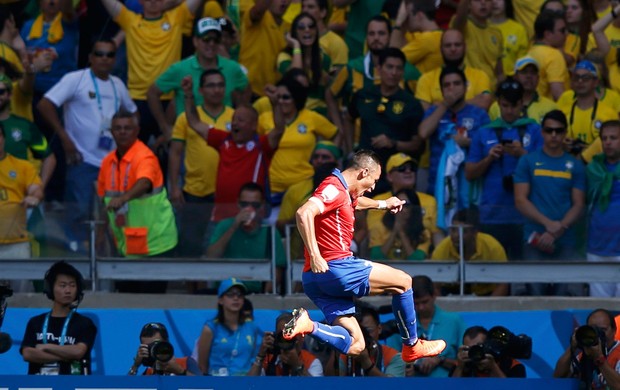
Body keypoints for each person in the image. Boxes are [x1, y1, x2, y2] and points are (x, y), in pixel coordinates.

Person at [282, 150, 447, 365]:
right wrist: (315, 254)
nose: (373, 188)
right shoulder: (333, 186)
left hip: (314, 280)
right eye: (374, 181)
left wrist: (383, 204)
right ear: (364, 172)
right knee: (404, 282)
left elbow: (352, 202)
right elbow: (303, 213)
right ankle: (412, 345)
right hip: (336, 268)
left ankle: (309, 325)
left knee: (356, 346)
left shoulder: (342, 191)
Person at [38, 39, 136, 253]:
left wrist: (129, 144)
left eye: (109, 54)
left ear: (115, 59)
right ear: (90, 57)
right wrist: (65, 139)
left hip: (113, 163)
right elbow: (45, 104)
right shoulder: (75, 79)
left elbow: (133, 112)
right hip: (82, 159)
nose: (104, 58)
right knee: (79, 213)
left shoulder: (117, 84)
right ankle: (78, 262)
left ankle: (111, 266)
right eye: (99, 53)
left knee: (116, 217)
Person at [182, 76, 285, 224]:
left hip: (250, 218)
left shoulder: (261, 145)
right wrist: (188, 94)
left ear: (253, 126)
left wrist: (275, 104)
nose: (235, 123)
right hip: (220, 217)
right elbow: (194, 122)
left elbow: (279, 129)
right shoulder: (223, 140)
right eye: (234, 119)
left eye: (241, 120)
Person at [97, 110, 178, 293]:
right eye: (118, 128)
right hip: (127, 245)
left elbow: (144, 182)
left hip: (155, 243)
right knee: (127, 299)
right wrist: (100, 234)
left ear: (137, 131)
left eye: (128, 128)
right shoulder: (107, 162)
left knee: (151, 301)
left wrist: (123, 198)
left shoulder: (145, 156)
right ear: (111, 131)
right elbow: (103, 200)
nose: (123, 132)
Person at [100, 0, 201, 145]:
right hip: (137, 100)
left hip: (169, 98)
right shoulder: (129, 20)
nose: (153, 1)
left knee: (170, 153)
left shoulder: (177, 17)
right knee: (134, 153)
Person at [466, 79, 543, 260]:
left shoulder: (535, 130)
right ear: (498, 103)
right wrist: (489, 158)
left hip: (527, 217)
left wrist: (522, 154)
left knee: (523, 274)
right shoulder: (484, 132)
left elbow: (544, 171)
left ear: (522, 102)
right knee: (493, 271)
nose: (509, 110)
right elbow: (469, 173)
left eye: (514, 105)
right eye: (505, 105)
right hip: (492, 214)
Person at [514, 109, 586, 296]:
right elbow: (520, 200)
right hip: (534, 238)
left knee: (564, 299)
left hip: (565, 240)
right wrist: (549, 225)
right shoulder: (527, 161)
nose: (554, 135)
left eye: (559, 131)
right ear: (542, 132)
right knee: (535, 298)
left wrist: (559, 228)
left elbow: (578, 204)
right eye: (549, 130)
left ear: (565, 133)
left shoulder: (575, 165)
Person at [147, 17, 249, 141]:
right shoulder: (180, 69)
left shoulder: (232, 68)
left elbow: (246, 88)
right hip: (188, 139)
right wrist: (165, 127)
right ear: (195, 41)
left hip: (223, 139)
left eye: (215, 40)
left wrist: (240, 110)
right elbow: (152, 93)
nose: (211, 44)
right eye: (206, 39)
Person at [169, 69, 234, 257]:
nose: (217, 90)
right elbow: (175, 152)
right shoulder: (185, 117)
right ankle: (193, 287)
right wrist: (174, 187)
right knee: (191, 245)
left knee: (222, 244)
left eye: (220, 85)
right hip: (194, 192)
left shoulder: (235, 117)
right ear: (201, 90)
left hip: (225, 194)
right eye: (211, 85)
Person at [418, 66, 490, 227]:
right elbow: (423, 133)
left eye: (456, 84)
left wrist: (469, 143)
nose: (452, 88)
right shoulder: (435, 112)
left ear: (465, 87)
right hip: (439, 187)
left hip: (470, 188)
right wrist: (444, 105)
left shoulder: (479, 114)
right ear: (441, 90)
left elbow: (488, 147)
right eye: (447, 85)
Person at [347, 47, 424, 183]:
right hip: (364, 170)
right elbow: (348, 118)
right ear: (378, 68)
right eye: (389, 67)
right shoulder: (363, 95)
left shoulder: (411, 103)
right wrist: (350, 149)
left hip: (396, 173)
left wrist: (392, 143)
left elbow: (416, 144)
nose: (394, 73)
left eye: (398, 68)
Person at [207, 182, 286, 294]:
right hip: (226, 290)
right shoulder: (225, 225)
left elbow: (278, 268)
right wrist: (234, 226)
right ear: (238, 204)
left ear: (262, 205)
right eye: (244, 204)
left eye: (255, 205)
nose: (249, 209)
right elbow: (211, 256)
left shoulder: (268, 230)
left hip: (256, 291)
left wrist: (266, 294)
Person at [20, 261, 97, 375]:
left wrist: (46, 347)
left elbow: (78, 352)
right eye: (63, 285)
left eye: (72, 285)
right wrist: (65, 356)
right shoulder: (35, 322)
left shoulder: (85, 323)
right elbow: (28, 354)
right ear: (50, 288)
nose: (68, 290)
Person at [366, 152, 442, 260]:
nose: (408, 171)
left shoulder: (430, 201)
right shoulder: (379, 201)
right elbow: (374, 237)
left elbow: (436, 235)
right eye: (402, 168)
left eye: (412, 168)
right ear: (389, 176)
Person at [431, 209, 510, 296]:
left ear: (475, 233)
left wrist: (488, 307)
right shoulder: (442, 249)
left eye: (463, 231)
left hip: (486, 294)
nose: (456, 235)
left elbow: (503, 284)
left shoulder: (492, 247)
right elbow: (434, 286)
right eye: (453, 230)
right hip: (451, 293)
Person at [194, 278, 262, 376]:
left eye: (239, 295)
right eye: (230, 294)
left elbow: (252, 361)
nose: (236, 298)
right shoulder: (210, 328)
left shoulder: (252, 327)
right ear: (221, 300)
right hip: (217, 383)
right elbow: (202, 367)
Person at [402, 275, 466, 377]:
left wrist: (440, 360)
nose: (421, 308)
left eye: (425, 302)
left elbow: (465, 362)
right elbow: (392, 362)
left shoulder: (454, 321)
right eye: (416, 303)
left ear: (434, 296)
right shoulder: (402, 324)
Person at [586, 120, 620, 297]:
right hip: (597, 248)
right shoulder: (592, 170)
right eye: (604, 138)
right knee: (599, 310)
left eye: (613, 138)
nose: (608, 142)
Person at [0, 124, 43, 258]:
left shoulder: (22, 166)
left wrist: (34, 197)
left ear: (4, 139)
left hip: (17, 243)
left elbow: (37, 189)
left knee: (22, 278)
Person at [558, 60, 618, 154]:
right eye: (576, 77)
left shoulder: (609, 114)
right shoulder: (563, 112)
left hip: (598, 166)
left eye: (586, 78)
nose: (580, 81)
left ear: (595, 82)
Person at [278, 12, 332, 115]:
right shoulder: (284, 57)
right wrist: (296, 46)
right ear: (294, 32)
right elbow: (296, 76)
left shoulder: (324, 58)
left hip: (321, 114)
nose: (307, 30)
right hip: (296, 112)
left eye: (311, 26)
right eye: (301, 27)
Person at [554, 308, 620, 389]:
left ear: (614, 330)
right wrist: (572, 348)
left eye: (603, 330)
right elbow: (558, 378)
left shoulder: (618, 353)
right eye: (593, 329)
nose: (598, 334)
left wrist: (599, 359)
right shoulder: (585, 355)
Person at [239, 0, 291, 98]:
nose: (284, 1)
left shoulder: (289, 27)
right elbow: (258, 11)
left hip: (273, 93)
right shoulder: (260, 16)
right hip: (248, 90)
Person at [248, 312, 323, 376]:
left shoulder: (311, 362)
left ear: (302, 337)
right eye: (282, 335)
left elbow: (315, 386)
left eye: (292, 334)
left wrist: (298, 365)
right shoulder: (268, 360)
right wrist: (260, 356)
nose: (287, 338)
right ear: (276, 337)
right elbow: (249, 385)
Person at [338, 306, 406, 376]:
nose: (363, 336)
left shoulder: (393, 356)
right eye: (359, 332)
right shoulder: (347, 354)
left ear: (379, 329)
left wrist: (366, 363)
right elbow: (332, 382)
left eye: (368, 331)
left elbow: (392, 385)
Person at [488, 56, 558, 123]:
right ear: (515, 76)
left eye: (533, 73)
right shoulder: (497, 107)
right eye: (524, 72)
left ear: (538, 78)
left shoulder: (551, 107)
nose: (529, 76)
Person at [451, 0, 504, 87]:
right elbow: (460, 17)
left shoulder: (496, 32)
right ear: (469, 4)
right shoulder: (463, 26)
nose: (483, 2)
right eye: (477, 0)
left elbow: (499, 73)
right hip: (469, 88)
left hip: (491, 90)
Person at [389, 0, 443, 75]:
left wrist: (398, 23)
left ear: (419, 15)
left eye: (409, 15)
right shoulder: (439, 35)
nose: (407, 18)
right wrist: (403, 27)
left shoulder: (427, 39)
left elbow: (391, 60)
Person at [452, 325, 527, 377]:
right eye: (469, 349)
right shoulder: (462, 365)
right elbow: (451, 387)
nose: (475, 351)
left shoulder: (512, 365)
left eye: (479, 347)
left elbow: (512, 387)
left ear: (489, 344)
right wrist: (460, 368)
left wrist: (493, 367)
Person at [128, 322, 199, 376]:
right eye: (148, 347)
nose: (153, 350)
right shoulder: (149, 373)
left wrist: (180, 371)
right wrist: (135, 366)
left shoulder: (186, 362)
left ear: (166, 342)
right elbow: (125, 388)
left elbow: (205, 386)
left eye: (155, 345)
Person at [527, 10, 569, 101]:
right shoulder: (554, 55)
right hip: (551, 111)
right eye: (562, 30)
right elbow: (558, 94)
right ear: (548, 34)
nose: (567, 33)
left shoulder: (531, 51)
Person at [301, 0, 348, 71]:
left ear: (323, 13)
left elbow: (340, 77)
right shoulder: (298, 39)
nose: (305, 10)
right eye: (303, 7)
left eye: (310, 7)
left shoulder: (336, 42)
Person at [489, 0, 530, 77]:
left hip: (512, 79)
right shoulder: (482, 28)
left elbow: (522, 62)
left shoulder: (518, 29)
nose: (494, 2)